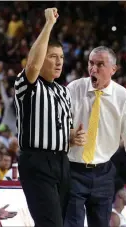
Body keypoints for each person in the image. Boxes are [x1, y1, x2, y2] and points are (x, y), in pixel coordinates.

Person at [64, 46, 126, 227]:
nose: (93, 69)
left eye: (100, 64)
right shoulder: (73, 89)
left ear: (113, 70)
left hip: (103, 173)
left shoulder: (124, 98)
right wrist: (67, 136)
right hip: (72, 170)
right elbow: (56, 126)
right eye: (91, 63)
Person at [14, 8, 87, 227]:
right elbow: (33, 65)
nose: (59, 62)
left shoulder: (63, 91)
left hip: (62, 163)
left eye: (62, 57)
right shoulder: (27, 83)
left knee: (60, 222)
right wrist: (48, 24)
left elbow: (59, 127)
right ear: (41, 57)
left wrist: (71, 135)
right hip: (37, 161)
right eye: (53, 56)